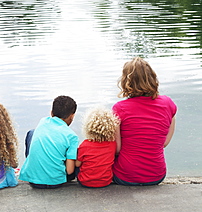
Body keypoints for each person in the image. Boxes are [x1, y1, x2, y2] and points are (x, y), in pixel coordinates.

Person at [112, 57, 177, 186]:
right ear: (152, 78)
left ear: (126, 81)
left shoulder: (119, 108)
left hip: (125, 176)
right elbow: (164, 143)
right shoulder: (168, 104)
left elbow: (117, 149)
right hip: (157, 175)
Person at [19, 95, 79, 189]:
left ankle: (33, 166)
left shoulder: (43, 121)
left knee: (32, 133)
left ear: (51, 113)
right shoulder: (72, 136)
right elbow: (70, 171)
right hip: (56, 182)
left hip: (33, 180)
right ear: (72, 116)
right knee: (75, 153)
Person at [76, 107, 119, 188]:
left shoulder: (85, 145)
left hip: (85, 182)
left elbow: (77, 164)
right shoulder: (112, 144)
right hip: (106, 181)